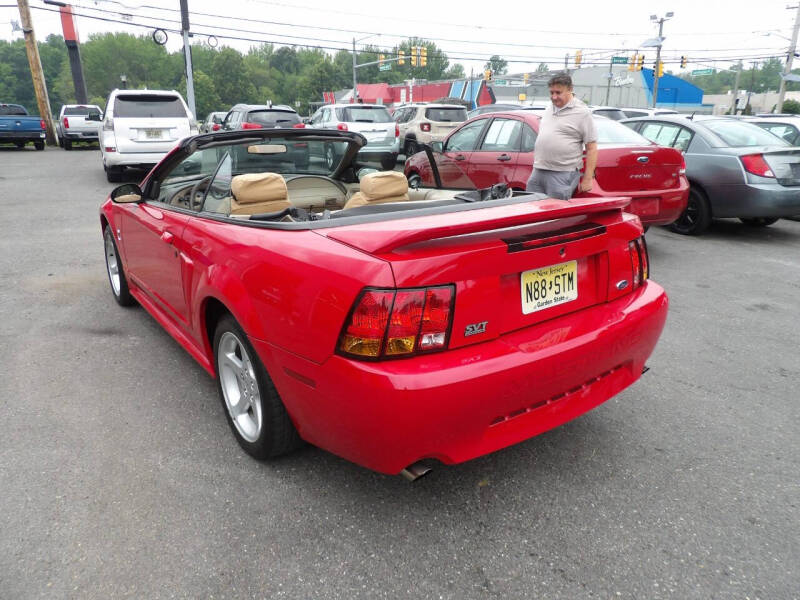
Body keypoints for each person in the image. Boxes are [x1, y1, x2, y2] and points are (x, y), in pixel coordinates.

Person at [526, 72, 597, 200]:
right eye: (551, 93)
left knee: (555, 214)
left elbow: (591, 147)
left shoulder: (582, 112)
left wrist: (587, 178)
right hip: (539, 169)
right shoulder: (549, 107)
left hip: (563, 173)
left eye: (558, 93)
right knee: (530, 209)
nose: (554, 97)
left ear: (570, 90)